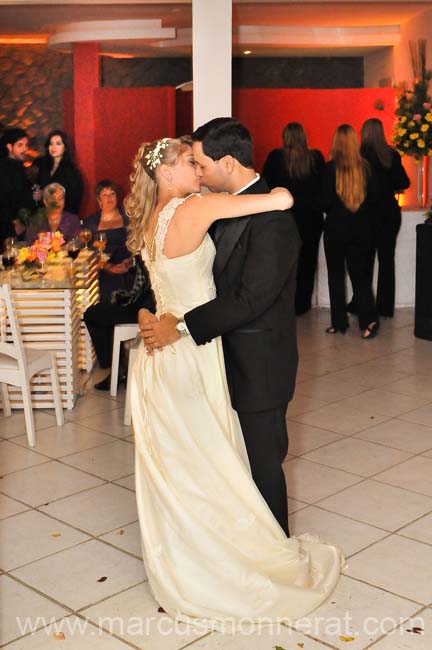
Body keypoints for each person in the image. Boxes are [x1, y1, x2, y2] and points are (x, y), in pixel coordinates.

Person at [133, 128, 341, 627]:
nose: (198, 172)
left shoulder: (165, 216)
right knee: (211, 461)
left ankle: (251, 550)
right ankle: (239, 560)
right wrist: (164, 319)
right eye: (189, 162)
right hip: (194, 353)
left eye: (200, 162)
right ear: (166, 172)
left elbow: (249, 297)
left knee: (217, 461)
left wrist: (163, 320)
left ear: (225, 162)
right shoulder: (198, 208)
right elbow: (279, 198)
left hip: (210, 353)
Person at [346, 118, 410, 318]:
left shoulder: (357, 156)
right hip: (388, 214)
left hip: (364, 214)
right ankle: (385, 307)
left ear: (363, 133)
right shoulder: (391, 154)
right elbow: (404, 182)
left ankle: (361, 303)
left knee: (364, 261)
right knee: (386, 260)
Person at [321, 124, 379, 339]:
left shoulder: (329, 169)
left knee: (335, 277)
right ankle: (369, 321)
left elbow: (323, 202)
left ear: (336, 143)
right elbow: (374, 201)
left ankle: (338, 323)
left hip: (335, 229)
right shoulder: (365, 167)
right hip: (361, 229)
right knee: (360, 276)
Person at [263, 122, 325, 314]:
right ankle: (302, 303)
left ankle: (284, 303)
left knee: (283, 262)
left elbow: (266, 188)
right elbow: (323, 187)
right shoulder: (315, 157)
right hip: (312, 218)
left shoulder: (276, 158)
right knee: (308, 261)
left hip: (284, 218)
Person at [84, 254, 155, 391]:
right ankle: (116, 364)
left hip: (146, 308)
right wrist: (131, 263)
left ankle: (115, 366)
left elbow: (140, 287)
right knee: (100, 311)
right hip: (145, 303)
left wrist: (121, 299)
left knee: (92, 314)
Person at [85, 179, 133, 303]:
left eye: (112, 194)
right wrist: (108, 266)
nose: (109, 197)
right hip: (102, 269)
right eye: (104, 195)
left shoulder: (128, 218)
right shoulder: (91, 222)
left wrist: (128, 263)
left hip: (128, 266)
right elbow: (88, 253)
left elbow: (137, 245)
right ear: (99, 200)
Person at [0, 127, 35, 251]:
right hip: (9, 226)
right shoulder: (4, 168)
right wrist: (15, 222)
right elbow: (3, 198)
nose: (25, 149)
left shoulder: (19, 166)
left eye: (26, 145)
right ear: (9, 147)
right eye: (20, 145)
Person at [33, 129, 83, 215]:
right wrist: (37, 196)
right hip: (44, 214)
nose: (53, 147)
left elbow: (74, 199)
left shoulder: (71, 171)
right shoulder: (43, 167)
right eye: (51, 144)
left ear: (65, 147)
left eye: (58, 144)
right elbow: (40, 188)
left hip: (63, 216)